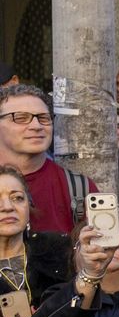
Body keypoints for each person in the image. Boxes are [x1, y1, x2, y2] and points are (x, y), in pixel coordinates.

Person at [0, 84, 95, 234]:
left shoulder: (79, 187)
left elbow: (98, 249)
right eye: (21, 118)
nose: (37, 126)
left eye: (44, 118)